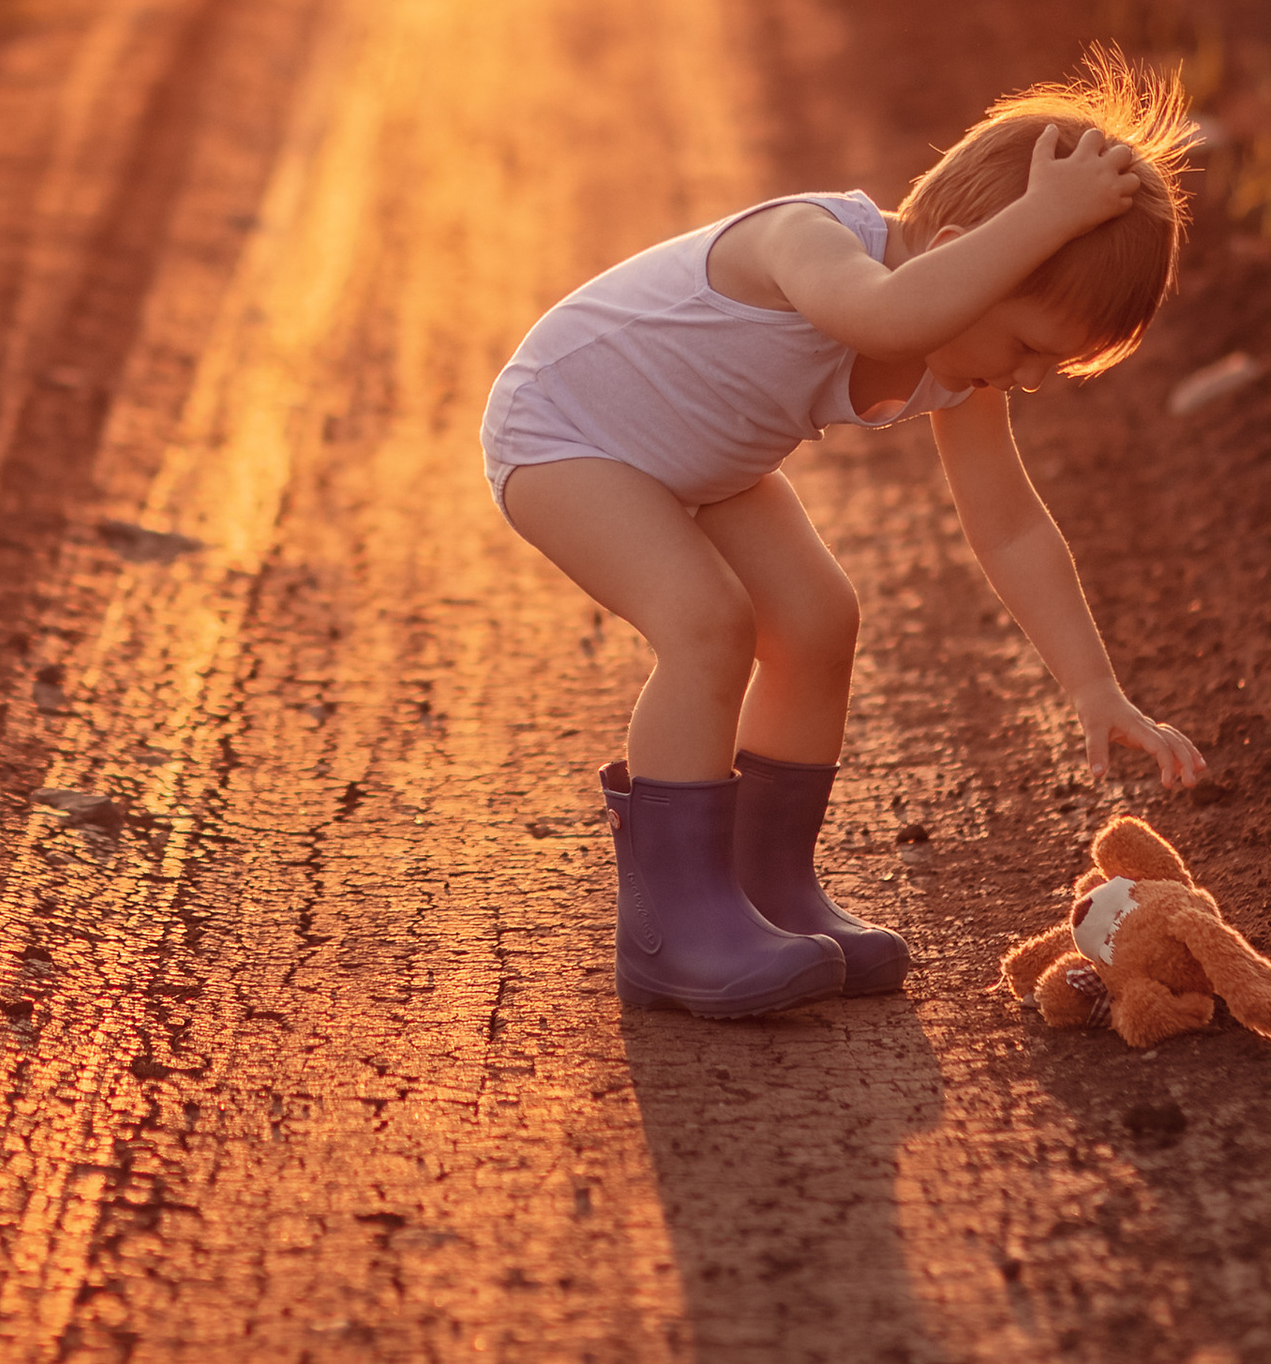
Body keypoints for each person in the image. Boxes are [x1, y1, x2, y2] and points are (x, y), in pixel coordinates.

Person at [483, 52, 1205, 1019]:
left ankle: (763, 891)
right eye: (1028, 347)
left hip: (700, 462)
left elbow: (1013, 527)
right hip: (567, 432)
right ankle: (674, 927)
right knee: (706, 623)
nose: (1029, 380)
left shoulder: (962, 359)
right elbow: (885, 313)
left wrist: (1093, 683)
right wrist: (1045, 216)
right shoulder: (809, 240)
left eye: (1054, 365)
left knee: (820, 618)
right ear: (957, 251)